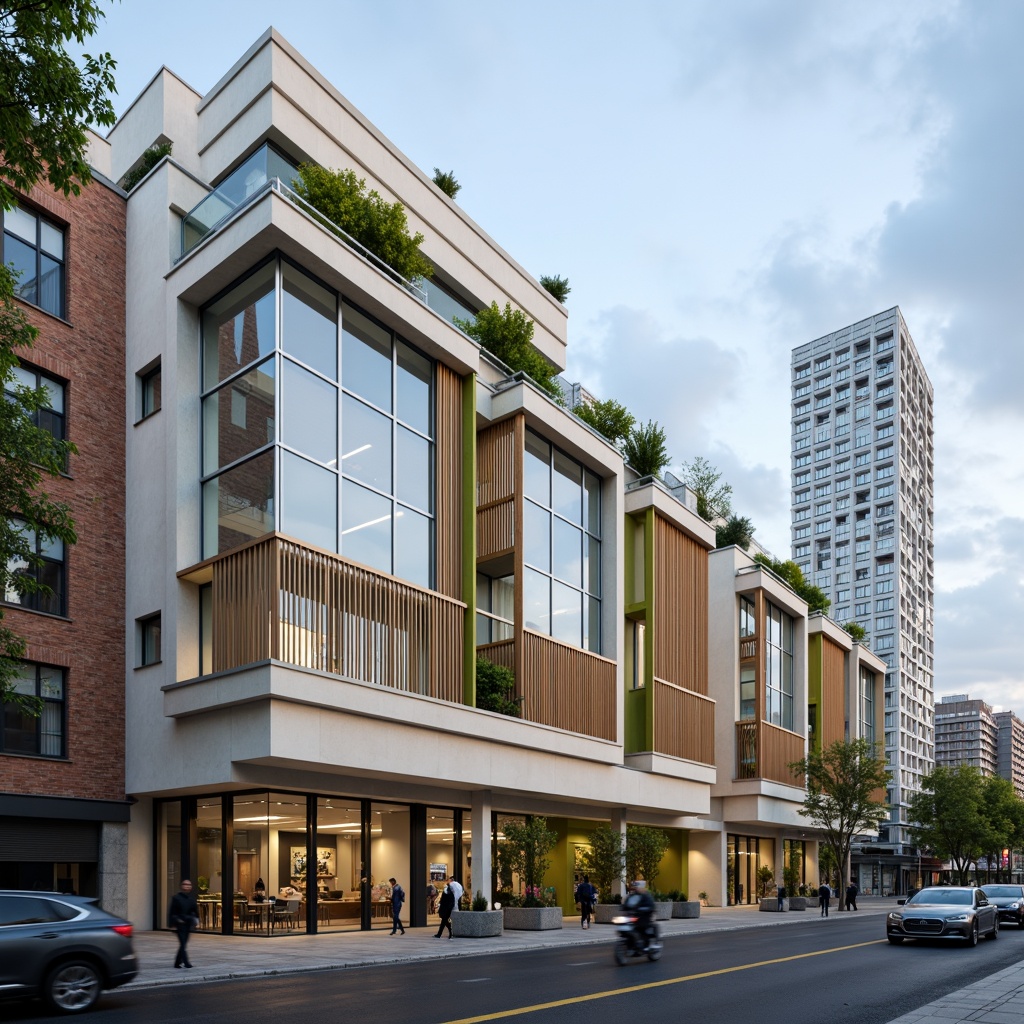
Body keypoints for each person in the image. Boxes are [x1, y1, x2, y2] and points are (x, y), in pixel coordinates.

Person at [169, 879, 198, 968]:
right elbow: (172, 912)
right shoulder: (176, 898)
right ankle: (186, 963)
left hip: (188, 924)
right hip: (180, 924)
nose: (187, 886)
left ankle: (177, 963)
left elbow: (195, 911)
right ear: (181, 886)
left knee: (184, 943)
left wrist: (196, 921)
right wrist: (173, 923)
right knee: (183, 943)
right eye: (185, 884)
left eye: (189, 885)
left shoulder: (191, 899)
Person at [623, 879, 656, 948]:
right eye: (634, 888)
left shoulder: (646, 896)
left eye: (637, 887)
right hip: (634, 916)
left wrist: (644, 909)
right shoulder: (631, 896)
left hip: (644, 916)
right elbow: (626, 904)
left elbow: (651, 906)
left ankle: (645, 945)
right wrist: (623, 908)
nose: (635, 889)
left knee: (642, 927)